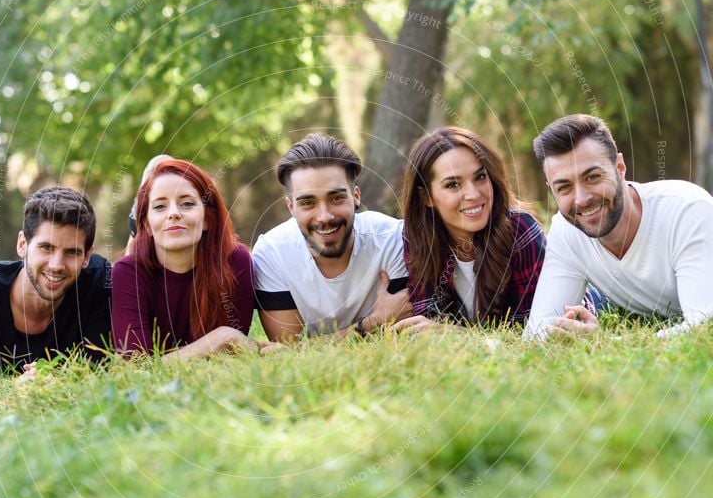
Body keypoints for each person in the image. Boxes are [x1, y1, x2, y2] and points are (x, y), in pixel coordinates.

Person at [524, 113, 713, 339]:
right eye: (564, 187)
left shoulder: (687, 211)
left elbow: (704, 324)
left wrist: (607, 342)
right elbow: (539, 329)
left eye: (592, 177)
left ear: (620, 167)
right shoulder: (567, 232)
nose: (582, 199)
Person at [0, 187, 111, 372]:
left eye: (72, 252)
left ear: (87, 256)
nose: (56, 265)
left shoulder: (96, 284)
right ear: (22, 244)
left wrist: (55, 377)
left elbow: (97, 371)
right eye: (46, 247)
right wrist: (14, 391)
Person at [252, 133, 411, 341]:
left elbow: (404, 330)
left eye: (336, 198)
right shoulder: (271, 253)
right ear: (291, 207)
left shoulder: (392, 238)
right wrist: (374, 322)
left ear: (355, 196)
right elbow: (287, 351)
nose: (325, 216)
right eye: (308, 203)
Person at [396, 126, 553, 330]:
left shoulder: (520, 230)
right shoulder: (419, 237)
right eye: (453, 185)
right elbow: (429, 318)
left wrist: (458, 334)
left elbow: (537, 328)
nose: (473, 194)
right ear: (426, 197)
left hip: (593, 301)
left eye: (480, 177)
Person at [111, 158, 257, 359]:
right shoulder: (128, 273)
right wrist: (223, 337)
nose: (173, 214)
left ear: (207, 219)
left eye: (187, 203)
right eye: (160, 206)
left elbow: (235, 353)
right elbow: (138, 368)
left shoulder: (236, 262)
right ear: (145, 225)